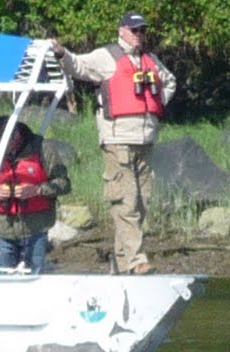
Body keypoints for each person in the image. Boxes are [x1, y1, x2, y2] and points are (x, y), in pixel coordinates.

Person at [50, 11, 176, 275]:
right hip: (117, 140)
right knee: (125, 201)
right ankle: (136, 261)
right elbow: (78, 65)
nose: (139, 34)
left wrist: (157, 103)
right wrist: (61, 53)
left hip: (146, 140)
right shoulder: (106, 56)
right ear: (122, 31)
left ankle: (121, 266)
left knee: (141, 203)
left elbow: (169, 81)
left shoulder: (150, 60)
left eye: (142, 30)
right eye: (134, 30)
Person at [0, 117, 71, 275]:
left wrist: (37, 190)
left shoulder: (43, 149)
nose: (0, 149)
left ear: (16, 136)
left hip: (35, 230)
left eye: (4, 143)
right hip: (2, 231)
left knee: (34, 280)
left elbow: (64, 184)